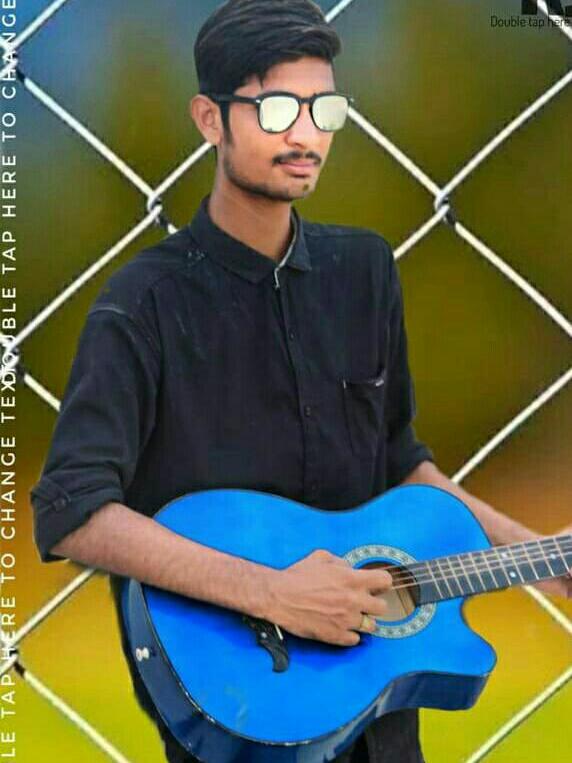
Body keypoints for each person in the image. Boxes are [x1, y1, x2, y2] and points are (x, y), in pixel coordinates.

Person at [29, 1, 571, 761]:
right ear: (210, 120)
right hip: (245, 705)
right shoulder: (144, 302)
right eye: (277, 108)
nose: (306, 134)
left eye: (325, 109)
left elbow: (399, 462)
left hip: (379, 719)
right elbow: (73, 509)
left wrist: (548, 557)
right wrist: (272, 592)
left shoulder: (365, 271)